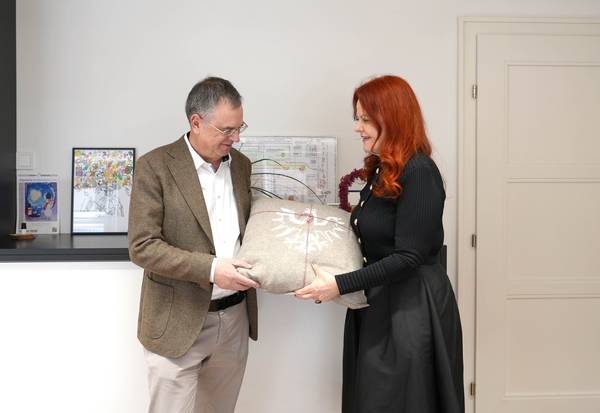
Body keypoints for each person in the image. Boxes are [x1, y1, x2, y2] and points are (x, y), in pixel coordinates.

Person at [295, 75, 464, 413]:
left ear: (393, 118)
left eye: (365, 119)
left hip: (412, 308)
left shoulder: (419, 171)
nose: (357, 127)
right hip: (379, 301)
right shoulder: (382, 170)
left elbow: (409, 256)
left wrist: (340, 284)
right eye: (357, 118)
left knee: (404, 401)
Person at [128, 76, 260, 413]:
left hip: (234, 319)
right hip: (177, 320)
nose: (236, 138)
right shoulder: (154, 167)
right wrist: (212, 269)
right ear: (196, 122)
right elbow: (143, 246)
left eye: (239, 128)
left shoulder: (241, 166)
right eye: (227, 130)